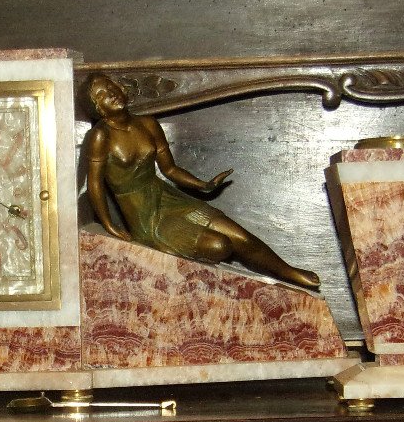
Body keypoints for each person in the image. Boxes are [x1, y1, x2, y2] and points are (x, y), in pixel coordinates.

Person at [82, 72, 320, 291]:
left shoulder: (148, 124)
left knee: (240, 236)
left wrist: (202, 185)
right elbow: (94, 185)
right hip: (144, 215)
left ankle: (287, 271)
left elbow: (170, 169)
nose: (111, 94)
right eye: (101, 95)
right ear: (97, 108)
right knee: (220, 246)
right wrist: (109, 225)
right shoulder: (100, 136)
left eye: (112, 86)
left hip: (168, 197)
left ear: (123, 89)